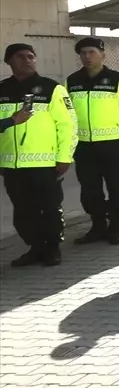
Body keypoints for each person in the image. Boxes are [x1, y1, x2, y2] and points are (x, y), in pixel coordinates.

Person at [0, 43, 76, 267]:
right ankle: (35, 247)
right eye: (21, 57)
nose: (28, 60)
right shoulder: (2, 88)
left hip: (45, 163)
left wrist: (64, 157)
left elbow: (68, 124)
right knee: (22, 213)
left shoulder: (51, 88)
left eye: (31, 56)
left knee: (49, 208)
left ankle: (52, 248)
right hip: (12, 165)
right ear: (9, 61)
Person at [67, 37, 119, 246]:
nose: (87, 57)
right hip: (84, 146)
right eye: (83, 53)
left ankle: (115, 227)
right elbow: (67, 115)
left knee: (116, 189)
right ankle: (97, 226)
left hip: (112, 144)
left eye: (92, 52)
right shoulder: (72, 81)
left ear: (103, 55)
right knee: (89, 191)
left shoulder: (118, 80)